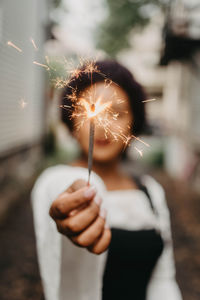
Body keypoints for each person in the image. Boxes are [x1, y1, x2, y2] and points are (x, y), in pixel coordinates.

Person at [31, 60, 182, 300]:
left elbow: (163, 279)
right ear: (71, 122)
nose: (102, 125)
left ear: (133, 125)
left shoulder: (151, 192)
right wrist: (74, 203)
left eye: (117, 113)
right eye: (90, 110)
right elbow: (62, 188)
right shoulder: (55, 180)